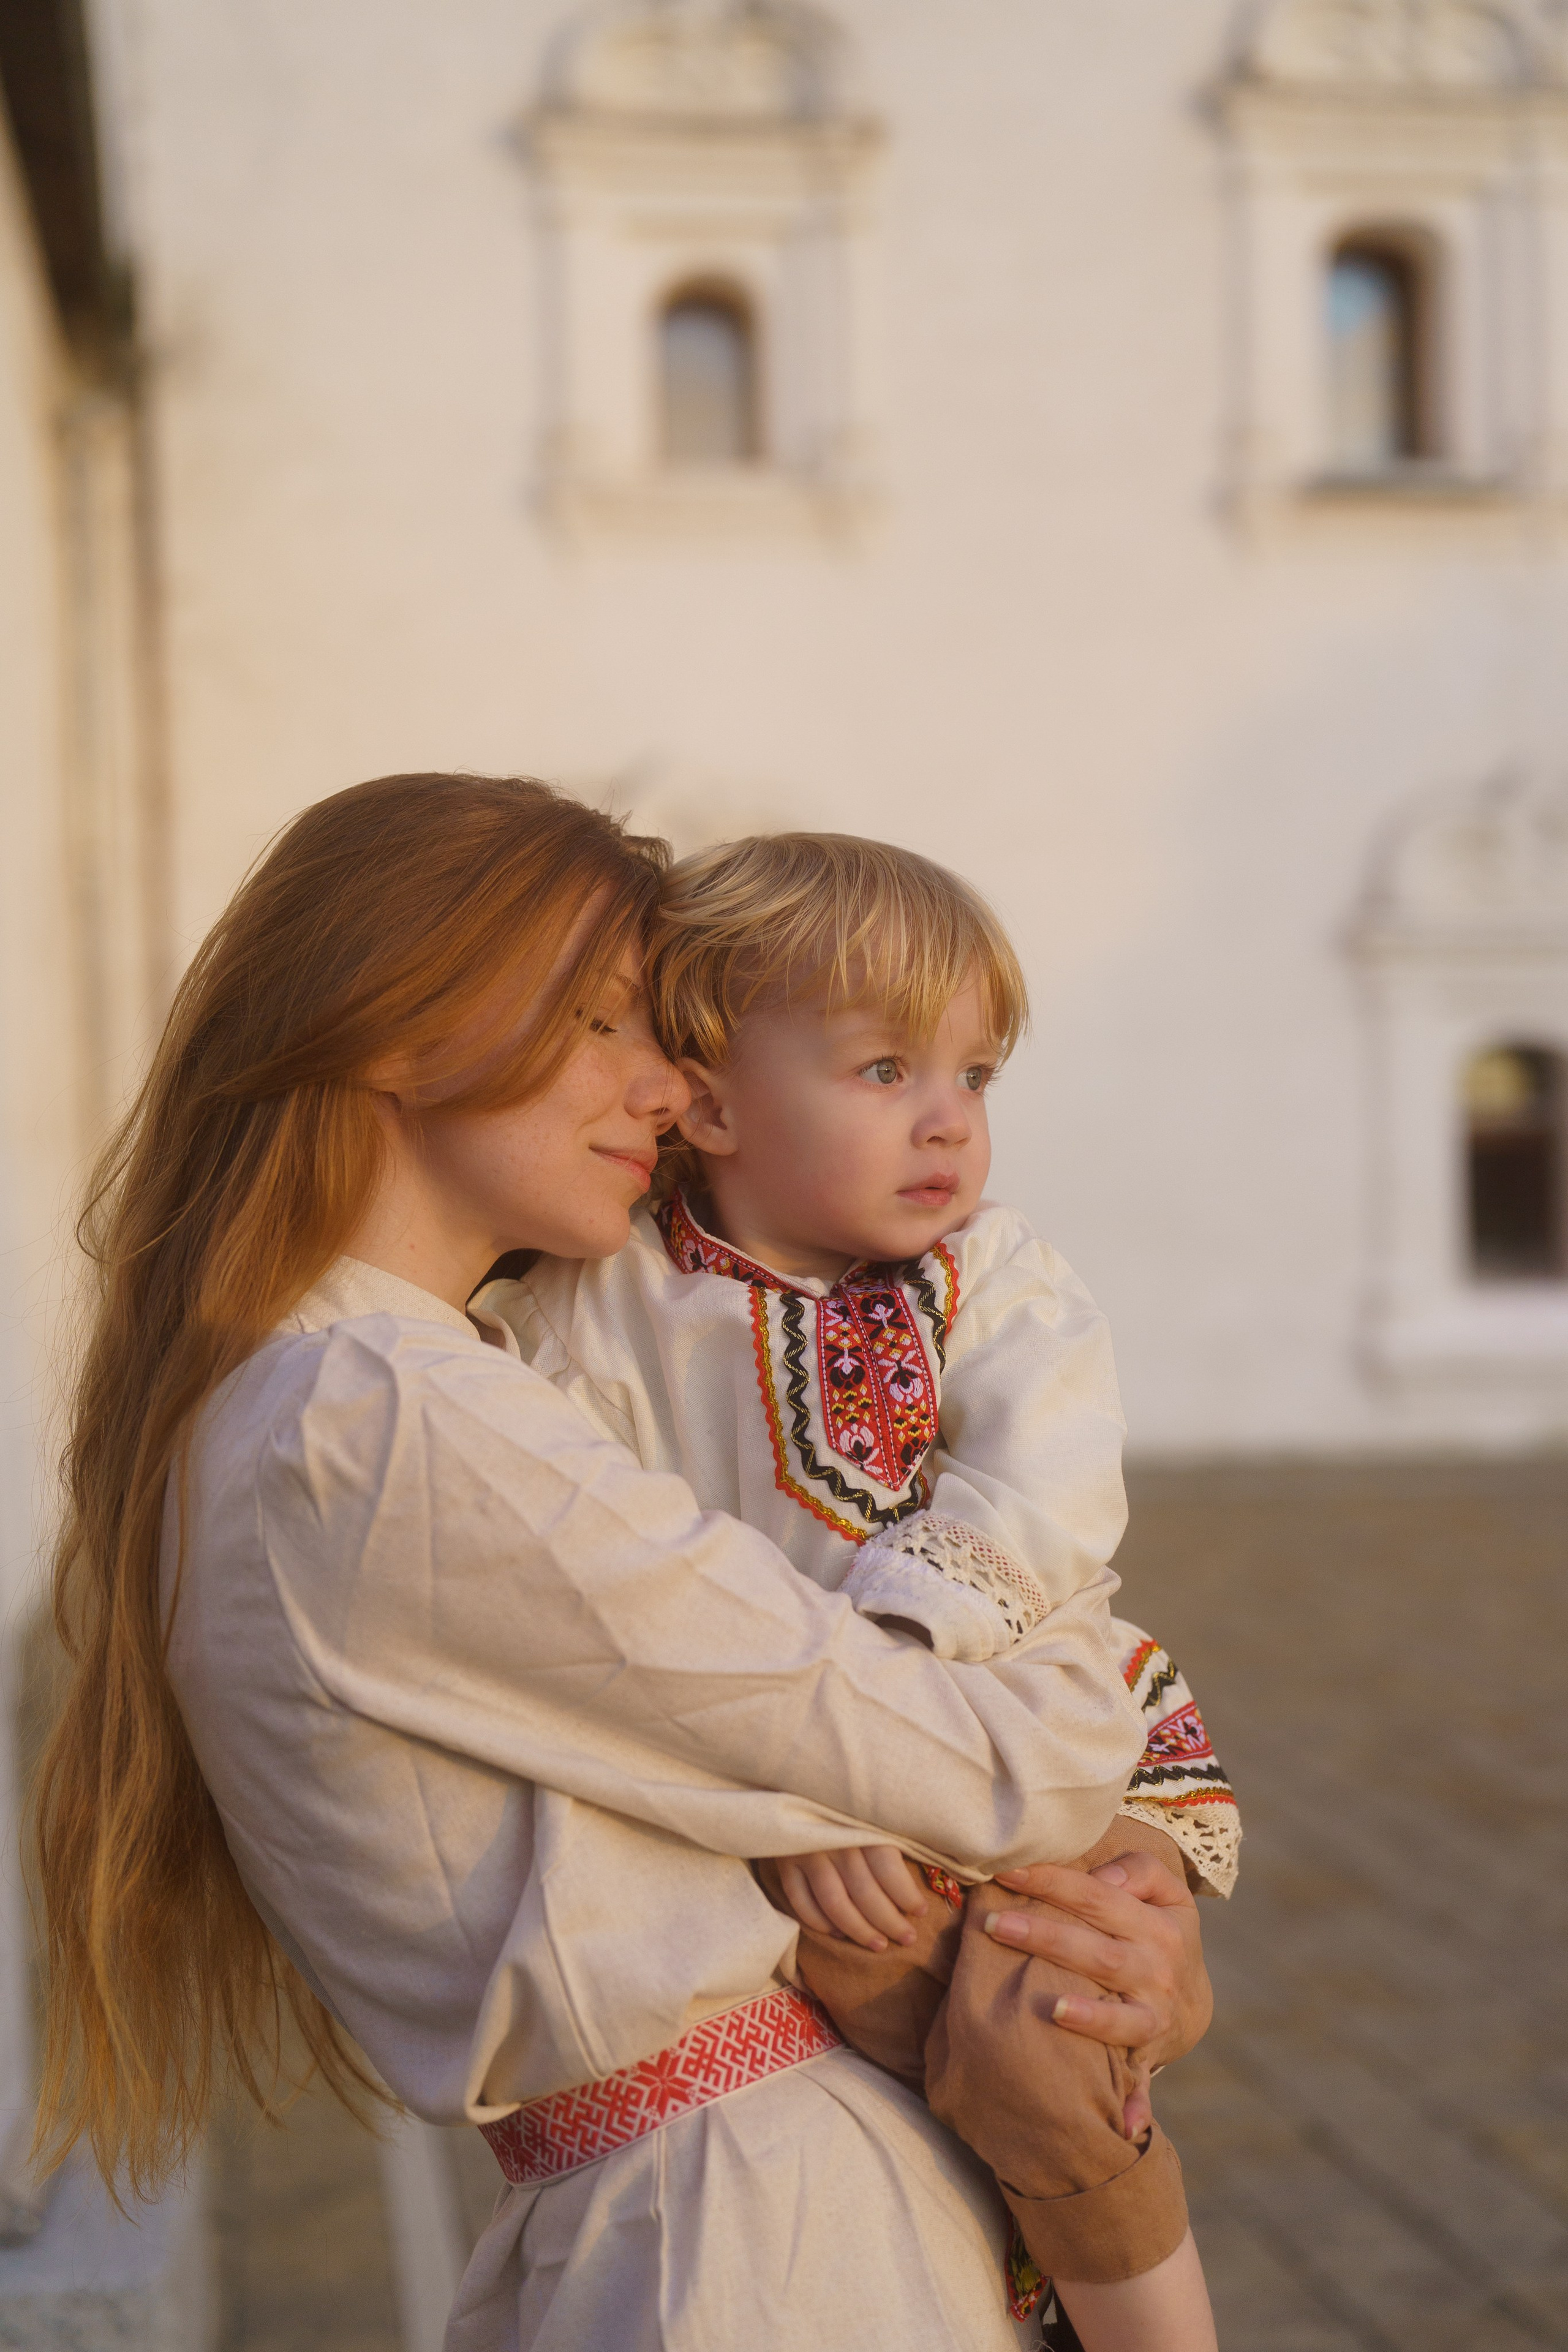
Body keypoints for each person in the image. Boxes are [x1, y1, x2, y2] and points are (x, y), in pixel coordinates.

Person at [34, 772, 1215, 2352]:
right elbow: (962, 1758)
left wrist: (1104, 1913)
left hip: (719, 2211)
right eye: (603, 1023)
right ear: (395, 1030)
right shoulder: (377, 1418)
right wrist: (1106, 1726)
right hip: (752, 2244)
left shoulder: (374, 1388)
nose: (667, 1086)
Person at [478, 831, 1236, 2351]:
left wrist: (883, 1695)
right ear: (707, 1096)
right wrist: (811, 1801)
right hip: (790, 1811)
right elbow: (599, 1599)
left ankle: (1159, 2332)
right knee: (877, 1998)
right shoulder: (597, 1308)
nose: (947, 1122)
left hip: (1021, 1728)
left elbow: (1039, 1506)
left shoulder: (992, 1282)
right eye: (884, 1071)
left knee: (1051, 2026)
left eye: (975, 1077)